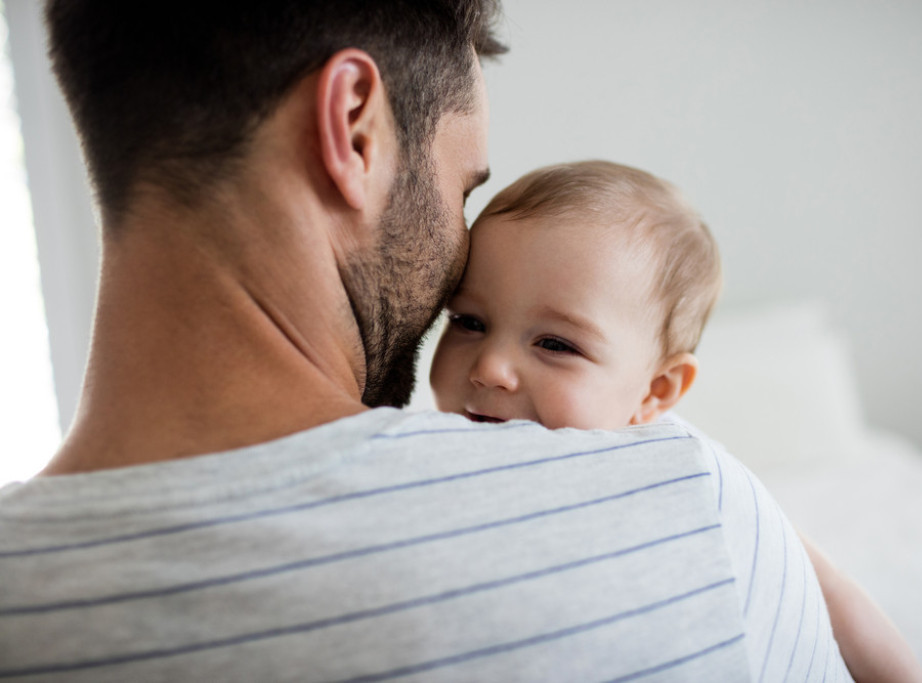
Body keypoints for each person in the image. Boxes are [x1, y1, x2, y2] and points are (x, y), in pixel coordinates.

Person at [0, 1, 852, 680]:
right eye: (462, 186)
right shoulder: (688, 507)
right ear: (355, 126)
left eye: (558, 342)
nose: (458, 255)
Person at [429, 160, 922, 682]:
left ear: (655, 391)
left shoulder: (682, 473)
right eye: (468, 322)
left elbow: (826, 587)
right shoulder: (422, 452)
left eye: (555, 344)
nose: (490, 368)